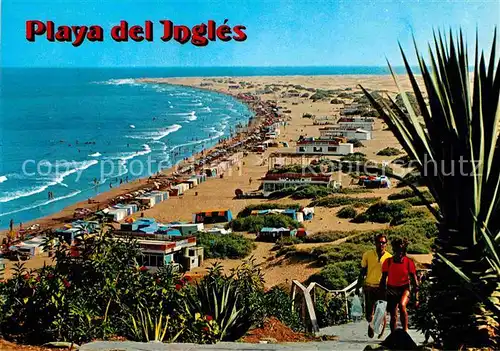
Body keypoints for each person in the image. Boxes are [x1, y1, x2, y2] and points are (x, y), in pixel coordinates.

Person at [355, 233, 392, 338]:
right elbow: (362, 272)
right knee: (368, 315)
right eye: (379, 242)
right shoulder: (367, 255)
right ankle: (371, 323)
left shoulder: (389, 257)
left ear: (386, 244)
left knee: (380, 311)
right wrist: (358, 287)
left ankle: (379, 325)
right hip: (369, 286)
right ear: (375, 243)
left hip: (382, 288)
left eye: (383, 242)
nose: (381, 244)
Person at [379, 238, 419, 333]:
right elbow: (383, 279)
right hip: (391, 289)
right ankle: (393, 335)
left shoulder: (409, 262)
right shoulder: (388, 262)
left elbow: (414, 280)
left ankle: (405, 331)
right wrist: (381, 294)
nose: (399, 252)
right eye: (397, 250)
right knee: (393, 314)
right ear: (394, 250)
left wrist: (416, 297)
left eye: (401, 250)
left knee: (402, 305)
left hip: (404, 288)